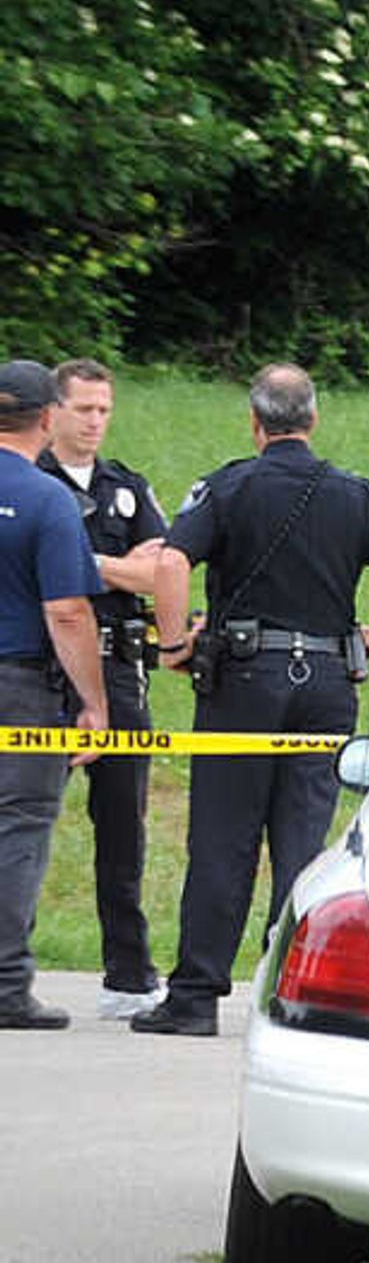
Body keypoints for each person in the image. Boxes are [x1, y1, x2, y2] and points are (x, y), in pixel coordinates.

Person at [134, 365, 369, 1038]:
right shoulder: (356, 496)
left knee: (224, 839)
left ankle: (193, 999)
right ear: (312, 420)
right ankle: (293, 999)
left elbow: (167, 563)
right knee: (304, 847)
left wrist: (170, 646)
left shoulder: (228, 486)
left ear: (255, 423)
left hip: (244, 684)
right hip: (329, 688)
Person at [43, 360, 193, 1015]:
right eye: (84, 409)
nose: (96, 421)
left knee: (123, 830)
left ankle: (128, 975)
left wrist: (80, 562)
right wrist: (118, 568)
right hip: (41, 670)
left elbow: (161, 574)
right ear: (52, 412)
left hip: (120, 670)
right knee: (21, 820)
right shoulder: (27, 483)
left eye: (104, 409)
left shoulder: (125, 487)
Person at [0, 359, 112, 1032]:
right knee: (17, 827)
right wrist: (93, 702)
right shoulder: (47, 500)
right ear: (48, 419)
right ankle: (6, 984)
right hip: (20, 686)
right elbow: (67, 610)